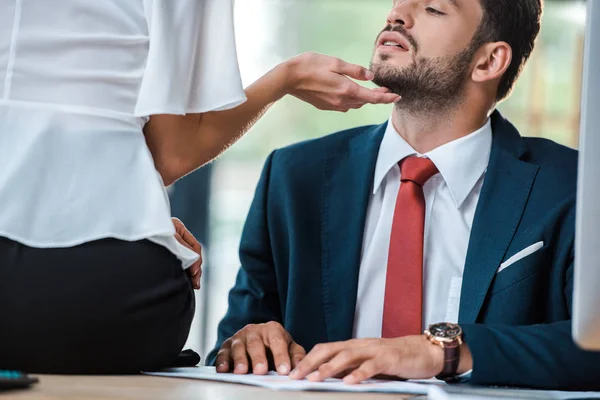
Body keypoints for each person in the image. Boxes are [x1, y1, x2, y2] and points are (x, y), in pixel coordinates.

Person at [208, 0, 600, 390]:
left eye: (432, 8)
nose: (396, 15)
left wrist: (442, 352)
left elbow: (592, 350)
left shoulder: (576, 186)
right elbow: (228, 351)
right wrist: (247, 345)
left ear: (488, 61)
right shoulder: (295, 176)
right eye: (398, 2)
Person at [0, 0, 399, 374]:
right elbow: (171, 154)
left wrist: (129, 208)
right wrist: (285, 78)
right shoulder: (296, 172)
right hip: (106, 298)